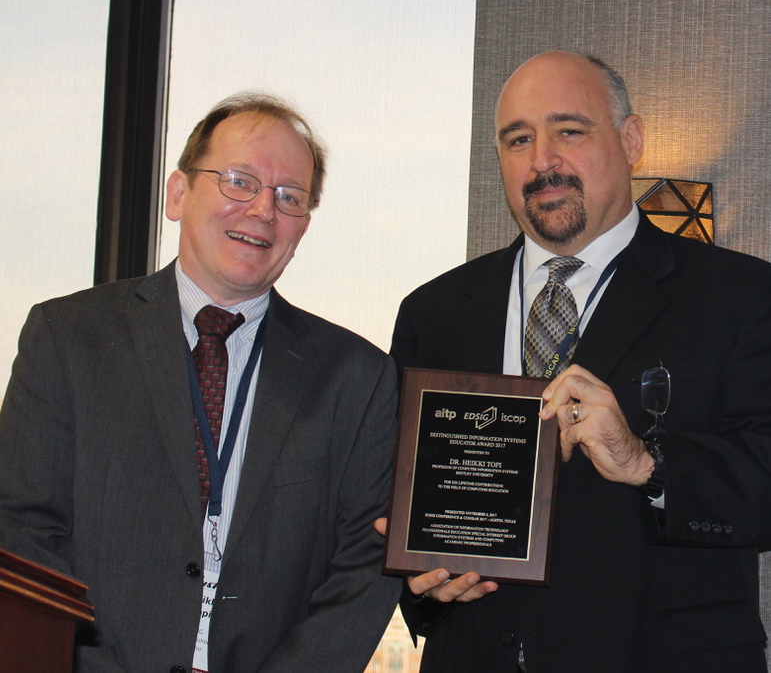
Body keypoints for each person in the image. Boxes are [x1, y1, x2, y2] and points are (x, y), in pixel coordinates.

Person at [388, 51, 771, 672]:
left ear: (630, 140)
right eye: (519, 139)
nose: (542, 160)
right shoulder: (433, 312)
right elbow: (393, 496)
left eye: (569, 130)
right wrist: (416, 580)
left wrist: (646, 463)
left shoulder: (741, 296)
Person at [0, 93, 400, 672]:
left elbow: (366, 563)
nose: (263, 209)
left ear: (303, 226)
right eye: (239, 181)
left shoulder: (357, 376)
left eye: (290, 197)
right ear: (178, 194)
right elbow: (22, 530)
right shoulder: (67, 338)